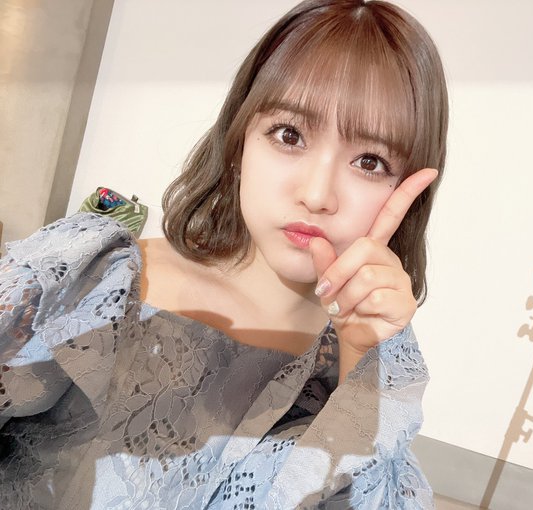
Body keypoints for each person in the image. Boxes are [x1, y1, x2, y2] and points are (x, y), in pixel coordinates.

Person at [0, 0, 448, 507]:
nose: (317, 193)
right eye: (290, 135)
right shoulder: (98, 283)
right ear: (240, 143)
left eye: (369, 161)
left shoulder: (353, 375)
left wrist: (363, 366)